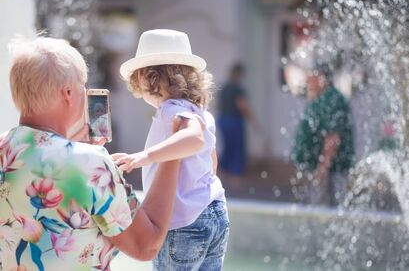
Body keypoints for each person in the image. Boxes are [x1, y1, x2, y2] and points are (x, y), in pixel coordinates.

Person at [0, 36, 181, 270]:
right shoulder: (89, 163)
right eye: (81, 87)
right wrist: (173, 150)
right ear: (67, 93)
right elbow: (145, 244)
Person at [112, 29, 229, 270]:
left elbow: (194, 139)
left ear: (147, 78)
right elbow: (211, 163)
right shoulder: (201, 112)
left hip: (183, 222)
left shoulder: (172, 110)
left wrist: (144, 157)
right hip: (216, 213)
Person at [292, 60, 354, 206]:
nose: (307, 81)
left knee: (324, 211)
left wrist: (323, 168)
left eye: (311, 77)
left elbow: (333, 137)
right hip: (318, 169)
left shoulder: (331, 100)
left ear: (322, 79)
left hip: (329, 172)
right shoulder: (320, 98)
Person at [217, 63, 260, 180]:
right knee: (237, 150)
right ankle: (235, 177)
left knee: (227, 147)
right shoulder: (237, 89)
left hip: (223, 120)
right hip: (234, 121)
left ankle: (223, 173)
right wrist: (255, 122)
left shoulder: (224, 88)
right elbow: (242, 105)